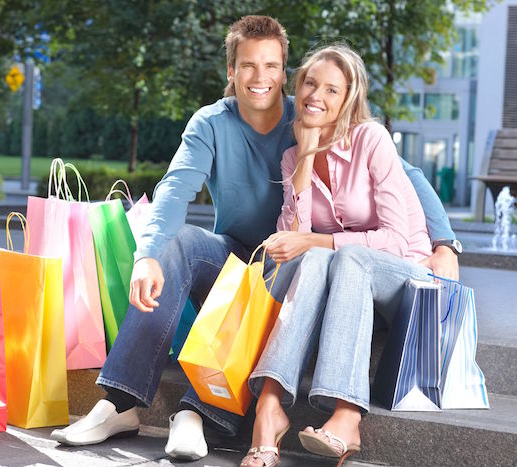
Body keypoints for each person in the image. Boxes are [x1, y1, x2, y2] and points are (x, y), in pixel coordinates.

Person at [51, 16, 460, 461]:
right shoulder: (214, 124)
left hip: (291, 260)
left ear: (285, 72)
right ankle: (120, 401)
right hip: (240, 252)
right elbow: (175, 189)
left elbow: (408, 177)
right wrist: (147, 255)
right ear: (231, 71)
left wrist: (444, 242)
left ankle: (199, 413)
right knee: (181, 244)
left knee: (280, 268)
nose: (260, 77)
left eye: (272, 66)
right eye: (248, 65)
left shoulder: (309, 117)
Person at [241, 44, 447, 467]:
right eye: (310, 84)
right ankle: (269, 408)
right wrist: (307, 153)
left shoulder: (371, 139)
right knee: (318, 259)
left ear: (349, 98)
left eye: (332, 90)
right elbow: (290, 243)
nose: (316, 95)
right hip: (345, 278)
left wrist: (316, 242)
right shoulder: (291, 156)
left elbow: (392, 239)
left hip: (405, 277)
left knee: (338, 256)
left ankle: (347, 412)